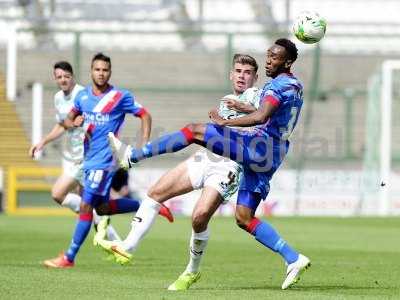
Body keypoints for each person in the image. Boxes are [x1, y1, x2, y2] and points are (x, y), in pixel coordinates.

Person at [102, 38, 311, 290]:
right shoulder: (294, 84)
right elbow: (268, 113)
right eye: (268, 55)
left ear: (287, 61)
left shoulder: (275, 86)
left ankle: (132, 156)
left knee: (193, 131)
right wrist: (241, 108)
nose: (269, 60)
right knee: (244, 217)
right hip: (272, 154)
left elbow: (262, 115)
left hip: (259, 147)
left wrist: (226, 123)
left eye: (274, 57)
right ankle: (293, 258)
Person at [98, 54, 259, 290]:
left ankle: (192, 270)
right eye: (238, 71)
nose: (242, 76)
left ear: (256, 77)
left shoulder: (256, 95)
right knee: (155, 193)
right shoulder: (227, 99)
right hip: (207, 158)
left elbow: (262, 113)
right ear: (231, 74)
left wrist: (241, 111)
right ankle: (127, 246)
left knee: (199, 216)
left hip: (229, 166)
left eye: (247, 72)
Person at [42, 53, 173, 268]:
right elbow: (68, 120)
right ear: (91, 71)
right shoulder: (82, 96)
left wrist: (144, 145)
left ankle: (69, 257)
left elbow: (145, 115)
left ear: (109, 72)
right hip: (88, 160)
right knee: (101, 208)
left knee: (86, 207)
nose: (101, 73)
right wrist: (75, 121)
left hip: (105, 162)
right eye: (97, 70)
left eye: (105, 70)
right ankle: (151, 206)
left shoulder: (120, 97)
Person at [29, 61, 121, 244]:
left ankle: (111, 238)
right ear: (55, 79)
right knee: (89, 204)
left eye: (66, 76)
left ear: (73, 77)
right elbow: (63, 124)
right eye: (59, 77)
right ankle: (115, 242)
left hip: (86, 156)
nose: (63, 80)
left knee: (58, 193)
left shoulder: (83, 95)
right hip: (74, 155)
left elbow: (99, 120)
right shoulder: (58, 98)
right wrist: (43, 142)